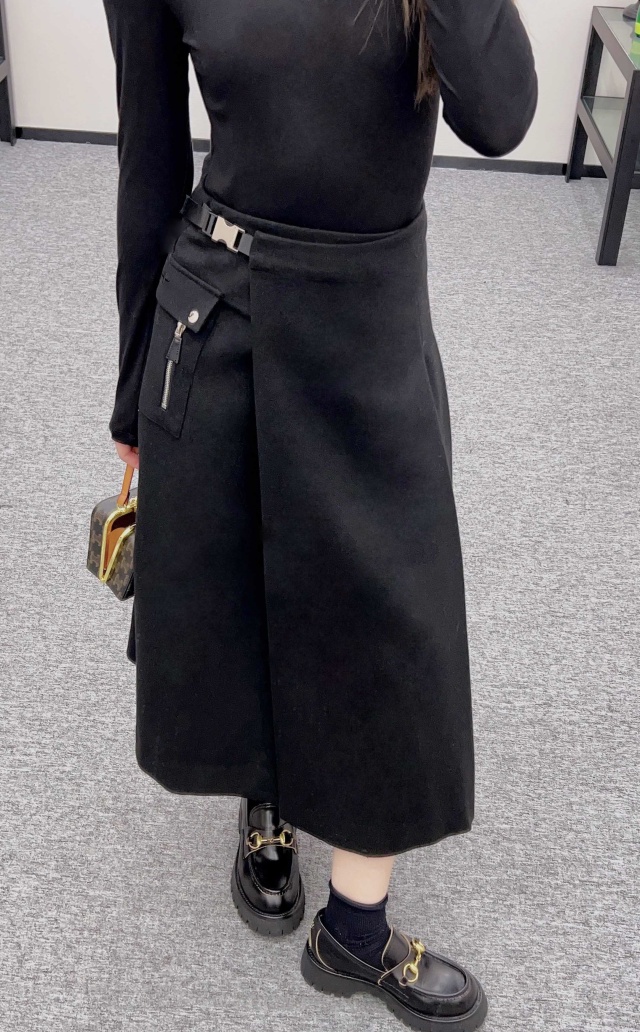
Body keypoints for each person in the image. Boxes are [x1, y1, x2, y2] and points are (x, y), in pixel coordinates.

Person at [101, 0, 537, 1027]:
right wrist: (131, 395)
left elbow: (503, 115)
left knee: (393, 620)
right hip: (225, 305)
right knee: (247, 585)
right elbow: (146, 164)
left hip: (371, 318)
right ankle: (270, 795)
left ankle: (354, 931)